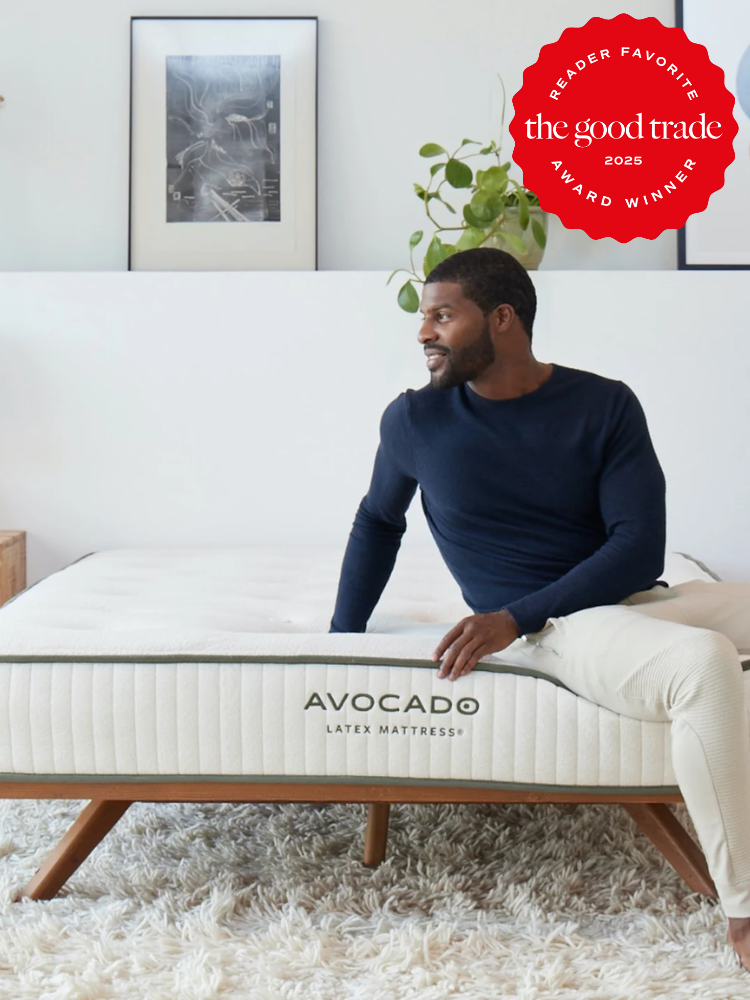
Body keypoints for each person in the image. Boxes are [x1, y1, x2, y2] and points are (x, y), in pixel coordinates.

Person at [328, 246, 750, 972]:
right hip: (557, 632)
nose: (423, 332)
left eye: (441, 315)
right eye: (423, 316)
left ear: (503, 318)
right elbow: (378, 524)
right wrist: (339, 640)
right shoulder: (415, 422)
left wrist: (512, 616)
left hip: (623, 604)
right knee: (703, 665)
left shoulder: (604, 403)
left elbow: (638, 549)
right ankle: (744, 911)